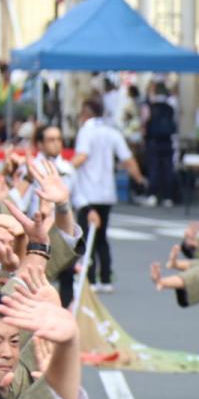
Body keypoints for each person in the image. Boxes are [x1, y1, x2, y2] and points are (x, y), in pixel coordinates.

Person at [71, 98, 148, 293]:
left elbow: (82, 156)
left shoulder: (86, 131)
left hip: (88, 194)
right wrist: (139, 178)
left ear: (86, 113)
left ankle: (90, 278)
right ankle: (105, 277)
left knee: (86, 237)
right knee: (102, 236)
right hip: (107, 193)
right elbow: (128, 159)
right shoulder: (112, 132)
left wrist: (63, 170)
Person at [142, 81, 179, 207]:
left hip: (153, 141)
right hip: (167, 141)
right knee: (167, 169)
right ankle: (168, 196)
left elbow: (144, 123)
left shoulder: (149, 107)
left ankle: (152, 194)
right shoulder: (170, 108)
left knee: (154, 168)